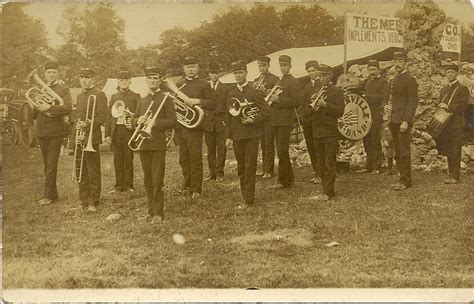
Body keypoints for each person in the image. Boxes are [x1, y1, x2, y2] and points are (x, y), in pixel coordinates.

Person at [132, 66, 177, 223]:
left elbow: (173, 121)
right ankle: (150, 210)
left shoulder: (165, 98)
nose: (153, 80)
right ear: (146, 80)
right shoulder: (142, 100)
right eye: (150, 78)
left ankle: (158, 213)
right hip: (144, 145)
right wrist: (138, 120)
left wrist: (154, 122)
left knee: (157, 179)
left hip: (157, 144)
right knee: (147, 179)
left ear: (159, 81)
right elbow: (133, 119)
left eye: (155, 78)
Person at [225, 60, 270, 207]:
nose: (238, 75)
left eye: (240, 73)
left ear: (246, 73)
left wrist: (254, 120)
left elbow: (266, 112)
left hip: (251, 135)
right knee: (241, 167)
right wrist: (228, 137)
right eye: (235, 73)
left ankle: (248, 199)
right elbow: (229, 117)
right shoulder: (231, 93)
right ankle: (245, 195)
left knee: (250, 166)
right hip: (237, 135)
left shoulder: (254, 91)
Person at [175, 56, 215, 199]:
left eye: (193, 66)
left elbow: (213, 103)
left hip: (195, 126)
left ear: (198, 68)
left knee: (195, 157)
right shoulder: (179, 84)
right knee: (183, 158)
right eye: (188, 67)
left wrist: (198, 101)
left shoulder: (204, 84)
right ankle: (187, 185)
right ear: (183, 69)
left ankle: (196, 188)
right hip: (181, 126)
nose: (190, 69)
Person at [34, 61, 72, 206]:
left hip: (55, 131)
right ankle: (52, 194)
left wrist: (49, 106)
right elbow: (33, 115)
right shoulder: (40, 90)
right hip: (42, 131)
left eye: (54, 72)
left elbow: (68, 108)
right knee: (47, 165)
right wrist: (35, 105)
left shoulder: (63, 90)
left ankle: (48, 196)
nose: (51, 74)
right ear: (45, 74)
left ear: (58, 74)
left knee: (51, 165)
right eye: (49, 72)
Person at [75, 67, 108, 212]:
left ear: (92, 79)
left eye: (87, 77)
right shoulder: (80, 96)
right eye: (82, 77)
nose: (84, 80)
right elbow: (77, 115)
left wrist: (87, 124)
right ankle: (84, 199)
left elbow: (102, 117)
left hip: (92, 139)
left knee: (93, 171)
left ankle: (94, 201)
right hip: (81, 138)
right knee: (81, 171)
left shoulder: (99, 94)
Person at [310, 64, 345, 201]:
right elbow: (309, 111)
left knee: (329, 163)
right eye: (320, 76)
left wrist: (325, 105)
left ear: (331, 75)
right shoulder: (317, 90)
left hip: (330, 131)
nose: (321, 78)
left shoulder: (337, 92)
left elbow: (340, 111)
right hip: (317, 131)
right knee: (321, 162)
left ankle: (328, 192)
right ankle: (326, 190)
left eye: (324, 75)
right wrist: (312, 104)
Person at [268, 55, 303, 189]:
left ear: (290, 66)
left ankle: (283, 181)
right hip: (277, 120)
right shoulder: (280, 81)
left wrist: (278, 100)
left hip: (285, 120)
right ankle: (289, 178)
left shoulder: (294, 81)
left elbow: (297, 101)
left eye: (286, 66)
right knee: (281, 150)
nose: (283, 68)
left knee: (282, 150)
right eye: (281, 66)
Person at [386, 51, 418, 191]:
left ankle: (405, 181)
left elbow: (413, 102)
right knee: (397, 150)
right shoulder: (395, 79)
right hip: (393, 119)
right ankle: (402, 178)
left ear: (406, 63)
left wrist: (406, 121)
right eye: (395, 61)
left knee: (404, 150)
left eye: (400, 62)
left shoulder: (410, 79)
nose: (397, 64)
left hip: (402, 120)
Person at [105, 68, 140, 194]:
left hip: (128, 130)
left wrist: (133, 123)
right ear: (118, 82)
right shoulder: (114, 96)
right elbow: (109, 116)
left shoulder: (136, 96)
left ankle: (129, 185)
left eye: (126, 79)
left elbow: (138, 114)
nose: (123, 82)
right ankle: (119, 185)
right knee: (117, 159)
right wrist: (108, 134)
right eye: (121, 80)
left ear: (130, 81)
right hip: (116, 131)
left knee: (128, 158)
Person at [435, 63, 470, 184]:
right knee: (449, 149)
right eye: (448, 72)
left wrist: (448, 107)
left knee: (455, 149)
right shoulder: (443, 89)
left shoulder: (462, 89)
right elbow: (440, 104)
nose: (450, 74)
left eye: (452, 72)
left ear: (457, 74)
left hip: (456, 124)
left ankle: (455, 176)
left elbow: (463, 105)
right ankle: (451, 174)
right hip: (445, 124)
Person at [358, 60, 389, 174]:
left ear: (378, 70)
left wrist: (367, 96)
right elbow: (358, 88)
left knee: (374, 139)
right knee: (366, 139)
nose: (372, 72)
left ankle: (377, 166)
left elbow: (382, 97)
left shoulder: (383, 82)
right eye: (370, 69)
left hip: (376, 113)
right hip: (365, 114)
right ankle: (369, 165)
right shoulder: (367, 81)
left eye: (374, 69)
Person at [252, 56, 279, 179]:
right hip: (260, 115)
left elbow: (275, 98)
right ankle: (264, 169)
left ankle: (269, 170)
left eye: (263, 65)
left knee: (268, 143)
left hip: (269, 115)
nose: (261, 68)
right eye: (259, 66)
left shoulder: (275, 79)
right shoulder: (256, 80)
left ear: (268, 65)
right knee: (262, 143)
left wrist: (265, 91)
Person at [203, 61, 228, 182]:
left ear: (219, 74)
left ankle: (220, 173)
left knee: (221, 149)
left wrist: (212, 111)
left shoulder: (225, 88)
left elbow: (223, 106)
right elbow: (203, 104)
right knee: (210, 149)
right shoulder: (205, 87)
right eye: (212, 73)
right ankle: (212, 173)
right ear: (209, 74)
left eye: (216, 73)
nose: (214, 75)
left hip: (220, 123)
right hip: (208, 124)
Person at [299, 60, 322, 184]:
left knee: (319, 147)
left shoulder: (323, 83)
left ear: (317, 71)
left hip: (319, 120)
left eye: (313, 70)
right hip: (308, 120)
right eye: (309, 71)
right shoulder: (307, 87)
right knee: (311, 147)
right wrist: (304, 115)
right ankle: (316, 171)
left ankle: (321, 173)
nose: (311, 73)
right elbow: (303, 103)